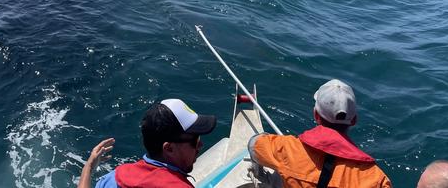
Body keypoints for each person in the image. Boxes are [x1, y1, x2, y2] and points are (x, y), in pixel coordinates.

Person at [248, 79, 392, 188]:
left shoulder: (287, 149)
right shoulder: (376, 179)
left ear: (316, 115)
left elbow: (253, 144)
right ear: (354, 120)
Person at [78, 98, 217, 188]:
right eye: (194, 140)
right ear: (169, 148)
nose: (200, 145)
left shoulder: (115, 177)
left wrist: (88, 168)